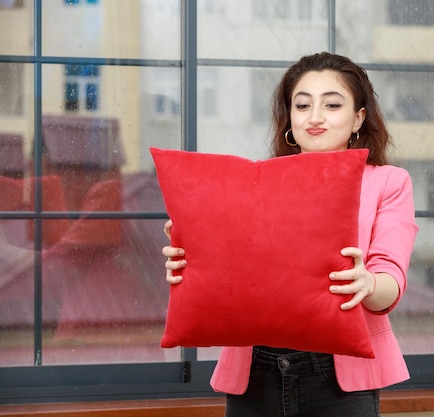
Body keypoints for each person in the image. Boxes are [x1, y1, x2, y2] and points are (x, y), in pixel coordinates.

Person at [161, 52, 418, 417]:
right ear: (289, 118)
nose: (315, 117)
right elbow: (234, 276)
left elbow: (389, 283)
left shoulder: (389, 182)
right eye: (302, 105)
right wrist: (192, 258)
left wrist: (367, 283)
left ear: (358, 117)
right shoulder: (254, 183)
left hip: (338, 378)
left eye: (332, 104)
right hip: (254, 372)